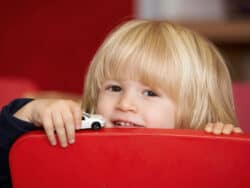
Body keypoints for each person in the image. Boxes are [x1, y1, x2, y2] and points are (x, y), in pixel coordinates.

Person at [0, 19, 243, 188]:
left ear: (196, 114)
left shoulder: (198, 169)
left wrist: (225, 154)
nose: (125, 103)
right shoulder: (71, 145)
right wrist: (28, 113)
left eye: (149, 93)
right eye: (114, 88)